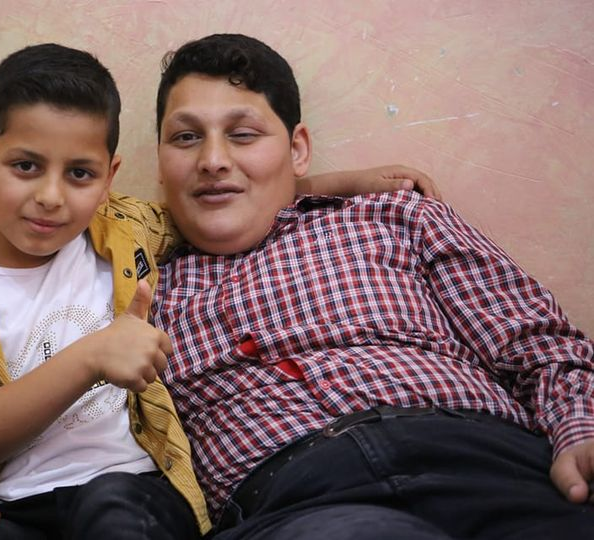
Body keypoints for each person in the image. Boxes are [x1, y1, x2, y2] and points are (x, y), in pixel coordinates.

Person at [0, 39, 439, 540]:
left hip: (131, 485)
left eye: (80, 173)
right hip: (6, 499)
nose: (51, 196)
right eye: (26, 166)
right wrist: (91, 357)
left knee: (115, 510)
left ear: (108, 177)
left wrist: (346, 183)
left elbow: (229, 196)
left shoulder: (124, 229)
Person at [150, 34, 594, 539]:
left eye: (244, 135)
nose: (212, 159)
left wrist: (580, 430)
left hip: (488, 460)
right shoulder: (131, 286)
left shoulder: (396, 216)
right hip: (295, 503)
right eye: (186, 138)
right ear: (161, 163)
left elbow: (540, 347)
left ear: (297, 150)